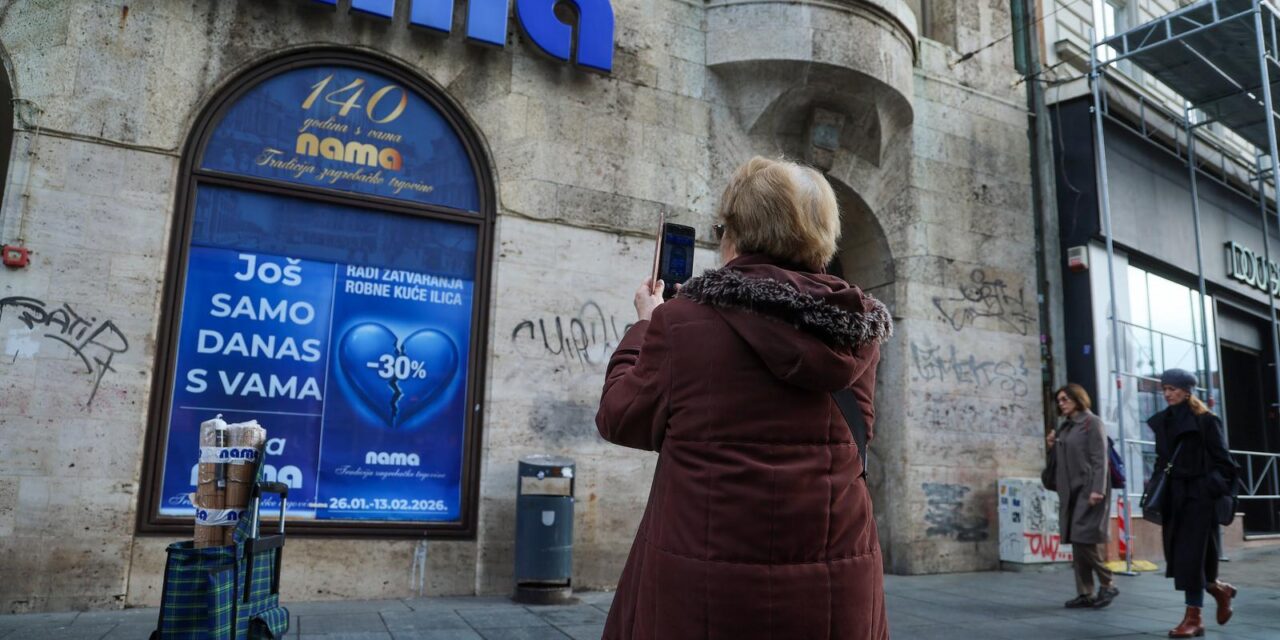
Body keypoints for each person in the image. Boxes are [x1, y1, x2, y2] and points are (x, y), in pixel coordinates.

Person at [595, 156, 893, 640]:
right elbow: (857, 433)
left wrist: (646, 324)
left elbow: (620, 417)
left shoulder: (682, 322)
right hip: (836, 582)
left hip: (706, 585)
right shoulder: (857, 331)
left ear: (736, 231)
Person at [1146, 368, 1239, 637]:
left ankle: (1194, 618)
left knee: (1191, 558)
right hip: (1174, 498)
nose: (1167, 394)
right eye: (1164, 389)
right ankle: (1220, 590)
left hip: (1198, 499)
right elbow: (1162, 461)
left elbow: (1226, 463)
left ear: (1187, 391)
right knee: (1181, 558)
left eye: (1172, 389)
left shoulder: (1206, 421)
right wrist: (1155, 489)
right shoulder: (1163, 421)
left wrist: (1208, 488)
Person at [1045, 383, 1118, 609]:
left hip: (1090, 491)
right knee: (1078, 544)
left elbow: (1099, 459)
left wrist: (1098, 489)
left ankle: (1108, 583)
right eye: (1059, 400)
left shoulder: (1091, 422)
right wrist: (1051, 446)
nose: (1061, 403)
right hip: (1071, 492)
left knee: (1082, 538)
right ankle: (1085, 593)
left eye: (1065, 399)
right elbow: (1061, 460)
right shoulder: (1065, 427)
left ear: (1078, 399)